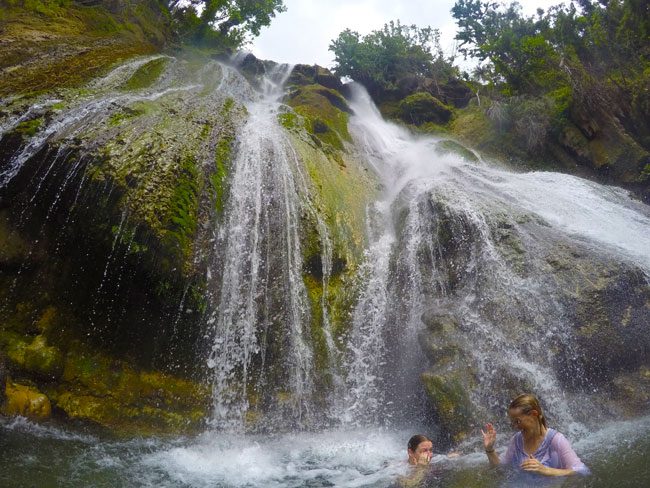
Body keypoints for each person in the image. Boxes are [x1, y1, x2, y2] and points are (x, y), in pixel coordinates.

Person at [482, 393, 589, 477]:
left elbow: (582, 471)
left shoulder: (556, 440)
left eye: (518, 421)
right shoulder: (516, 441)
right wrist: (490, 449)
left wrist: (546, 470)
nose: (515, 426)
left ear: (534, 414)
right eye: (513, 422)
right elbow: (501, 469)